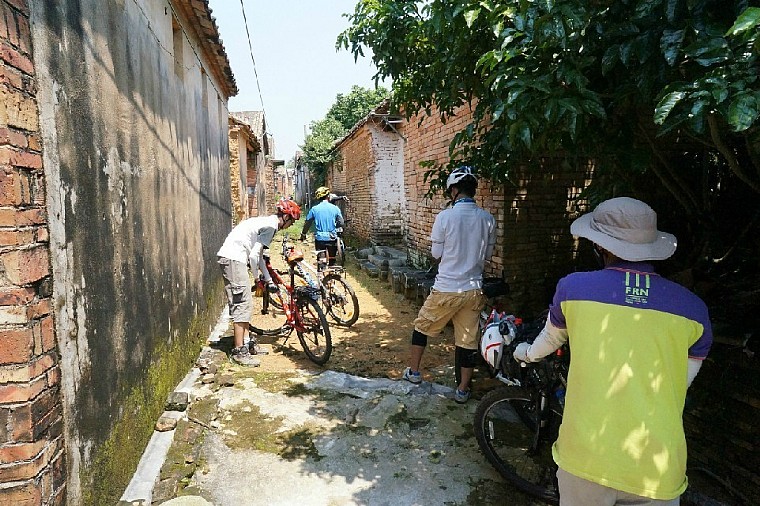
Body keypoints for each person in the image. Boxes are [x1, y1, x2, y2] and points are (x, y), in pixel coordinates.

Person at [513, 197, 712, 505]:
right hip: (658, 467)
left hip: (587, 459)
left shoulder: (573, 289)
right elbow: (678, 383)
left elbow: (549, 340)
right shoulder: (694, 310)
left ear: (600, 246)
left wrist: (526, 353)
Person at [401, 166, 496, 404]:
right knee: (467, 342)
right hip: (474, 290)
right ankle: (462, 390)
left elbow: (436, 253)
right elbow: (487, 255)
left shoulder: (445, 217)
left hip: (446, 288)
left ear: (453, 190)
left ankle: (414, 372)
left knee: (421, 327)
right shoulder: (488, 219)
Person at [217, 198, 301, 366]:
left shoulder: (268, 223)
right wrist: (257, 279)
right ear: (286, 217)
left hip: (235, 258)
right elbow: (254, 257)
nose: (291, 225)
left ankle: (247, 343)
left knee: (246, 303)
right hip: (234, 258)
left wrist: (268, 279)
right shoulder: (271, 226)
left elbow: (259, 256)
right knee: (242, 304)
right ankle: (239, 351)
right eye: (291, 221)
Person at [300, 186, 345, 265]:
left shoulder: (314, 209)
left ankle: (321, 268)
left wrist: (303, 234)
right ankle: (332, 267)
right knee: (332, 259)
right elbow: (341, 223)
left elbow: (307, 223)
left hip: (320, 239)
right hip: (332, 238)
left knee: (321, 261)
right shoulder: (335, 208)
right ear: (328, 196)